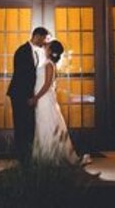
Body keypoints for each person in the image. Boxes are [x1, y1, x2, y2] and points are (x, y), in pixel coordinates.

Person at [30, 39, 94, 169]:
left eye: (48, 45)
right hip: (42, 99)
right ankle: (44, 156)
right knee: (43, 124)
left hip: (44, 99)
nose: (45, 45)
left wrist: (36, 97)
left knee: (47, 124)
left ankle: (50, 156)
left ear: (51, 50)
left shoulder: (49, 64)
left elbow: (47, 84)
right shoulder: (46, 63)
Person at [6, 25, 49, 164]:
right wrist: (30, 97)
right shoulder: (22, 51)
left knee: (28, 125)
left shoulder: (36, 51)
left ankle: (28, 156)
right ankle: (22, 158)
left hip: (28, 94)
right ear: (36, 36)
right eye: (43, 39)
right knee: (21, 125)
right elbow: (23, 76)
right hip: (20, 94)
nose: (44, 42)